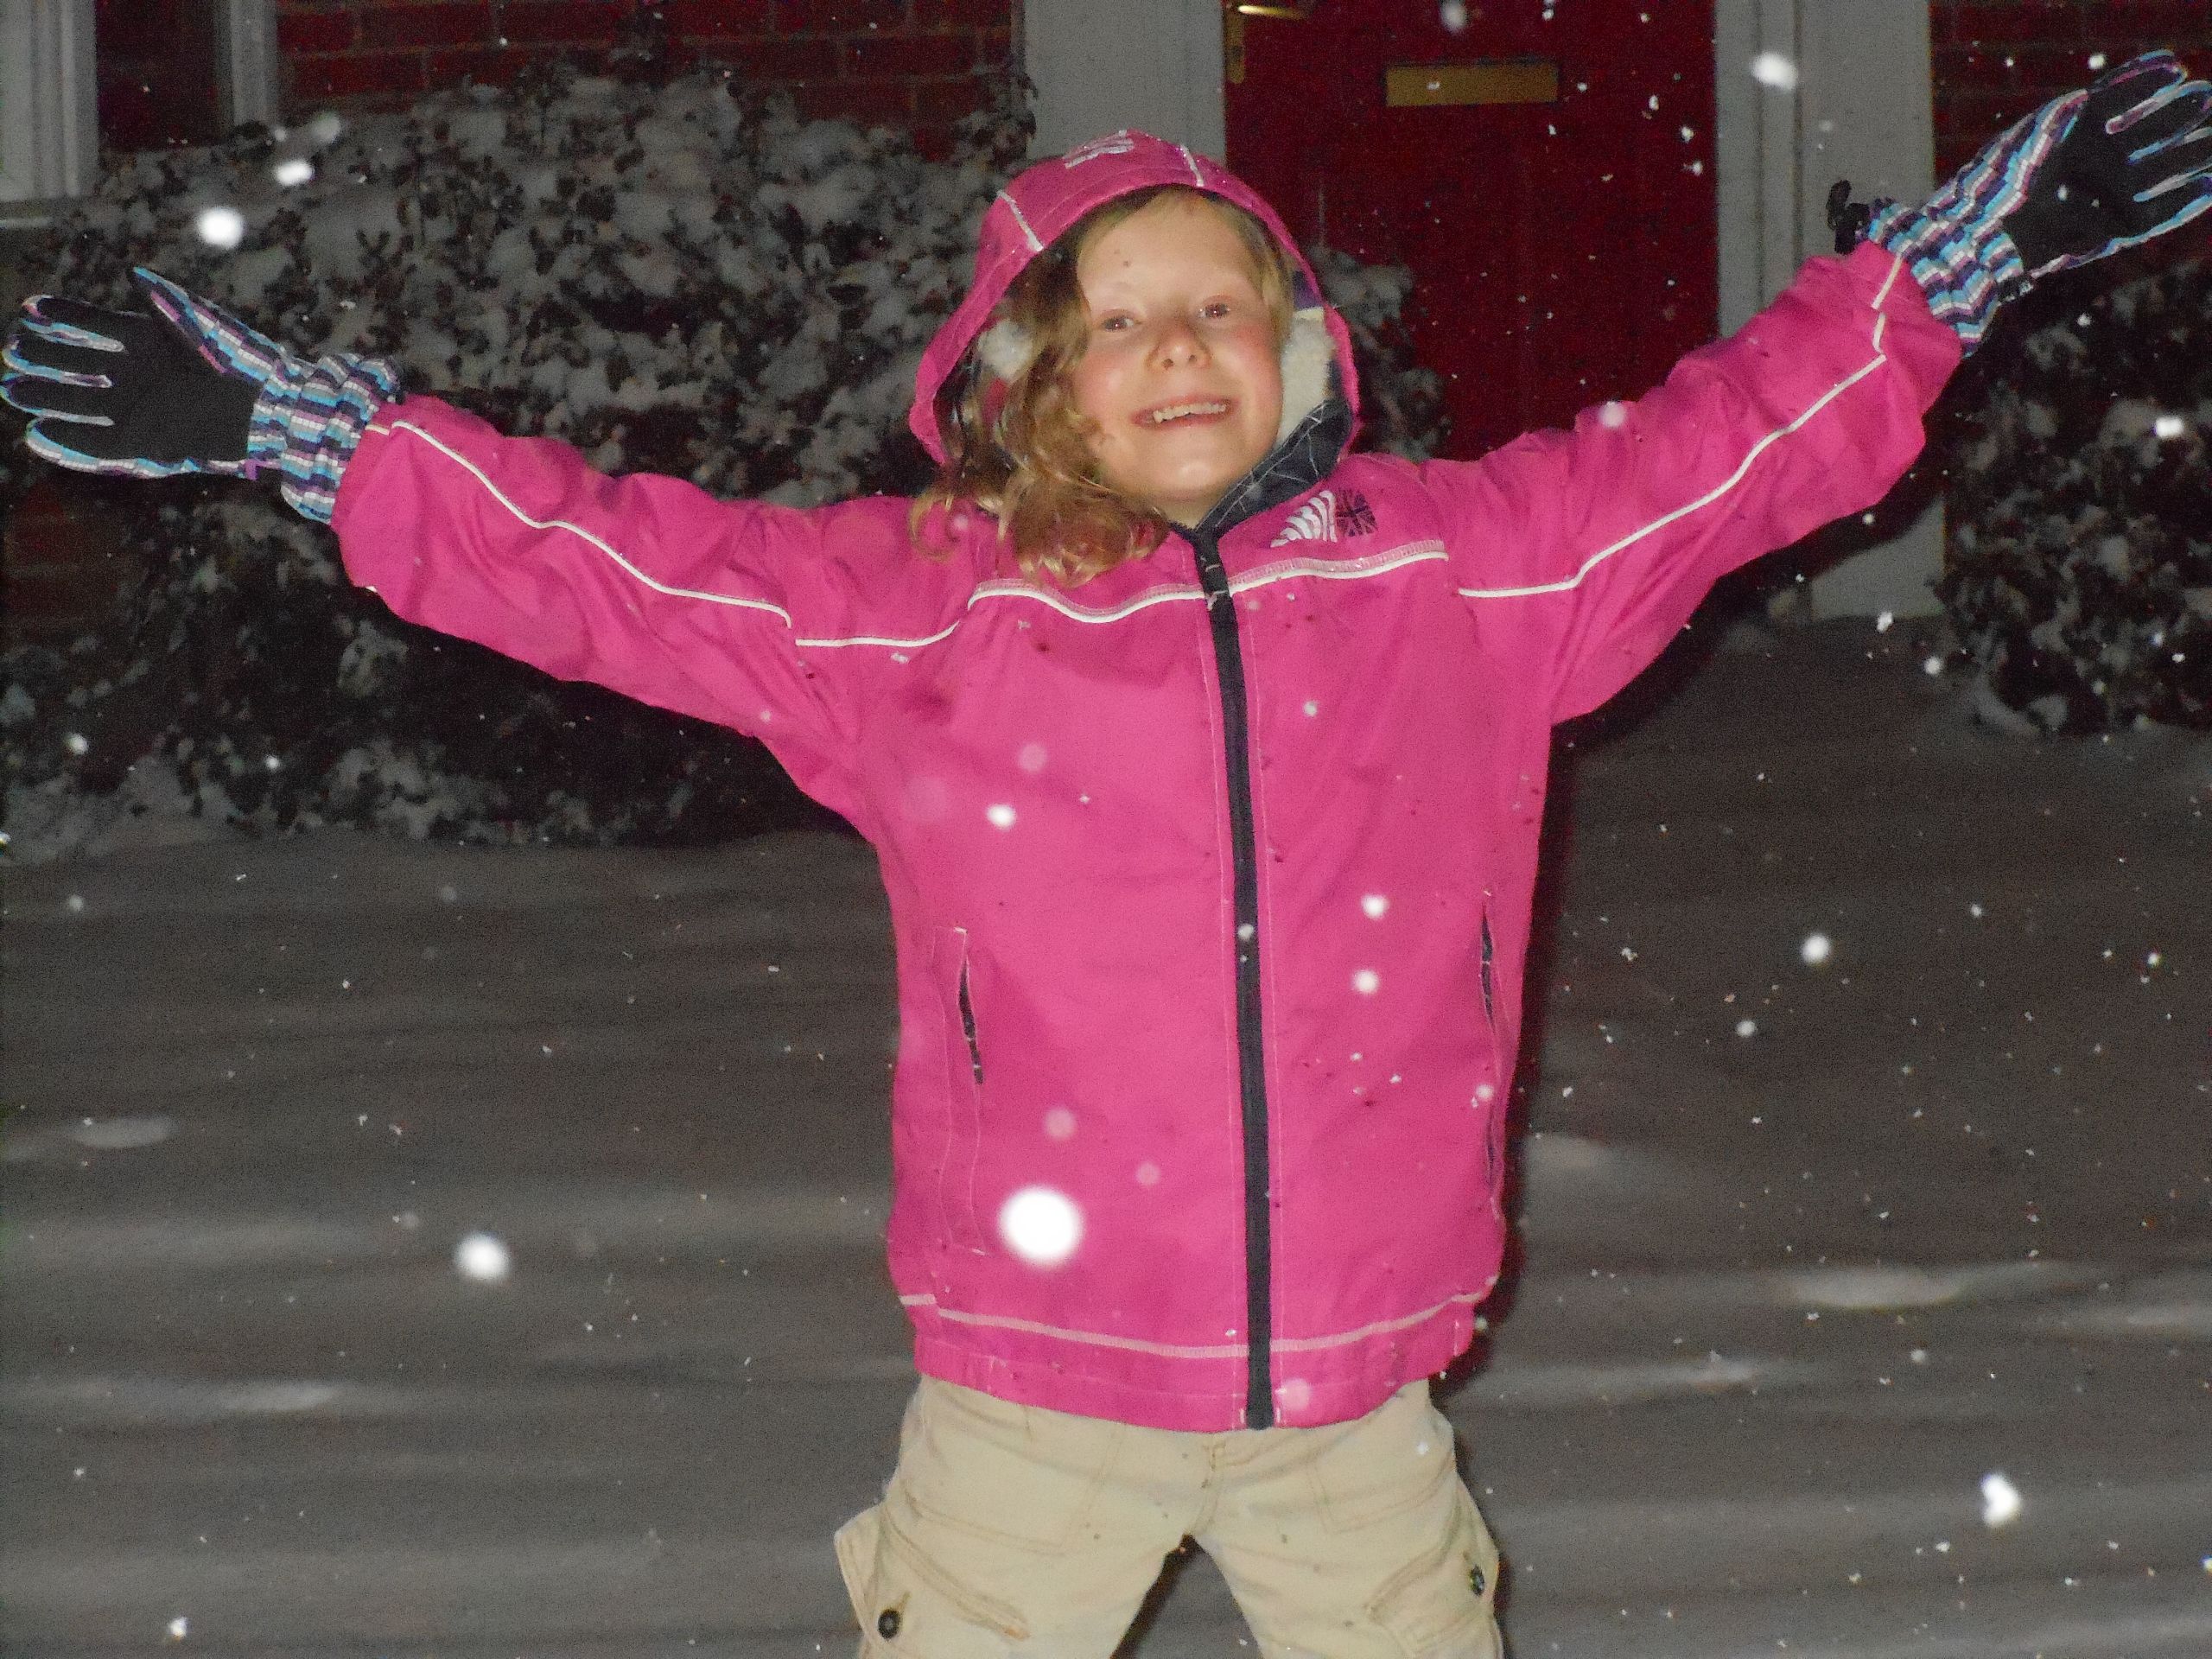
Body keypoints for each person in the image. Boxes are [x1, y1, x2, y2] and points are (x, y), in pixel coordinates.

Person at [6, 51, 2209, 1659]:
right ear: (1029, 383)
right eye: (1118, 317)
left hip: (1356, 1380)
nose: (1177, 347)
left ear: (1301, 358)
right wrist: (324, 438)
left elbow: (1722, 458)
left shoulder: (1461, 577)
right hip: (1030, 1388)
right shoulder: (917, 615)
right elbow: (602, 563)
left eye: (1220, 307)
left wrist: (1938, 272)